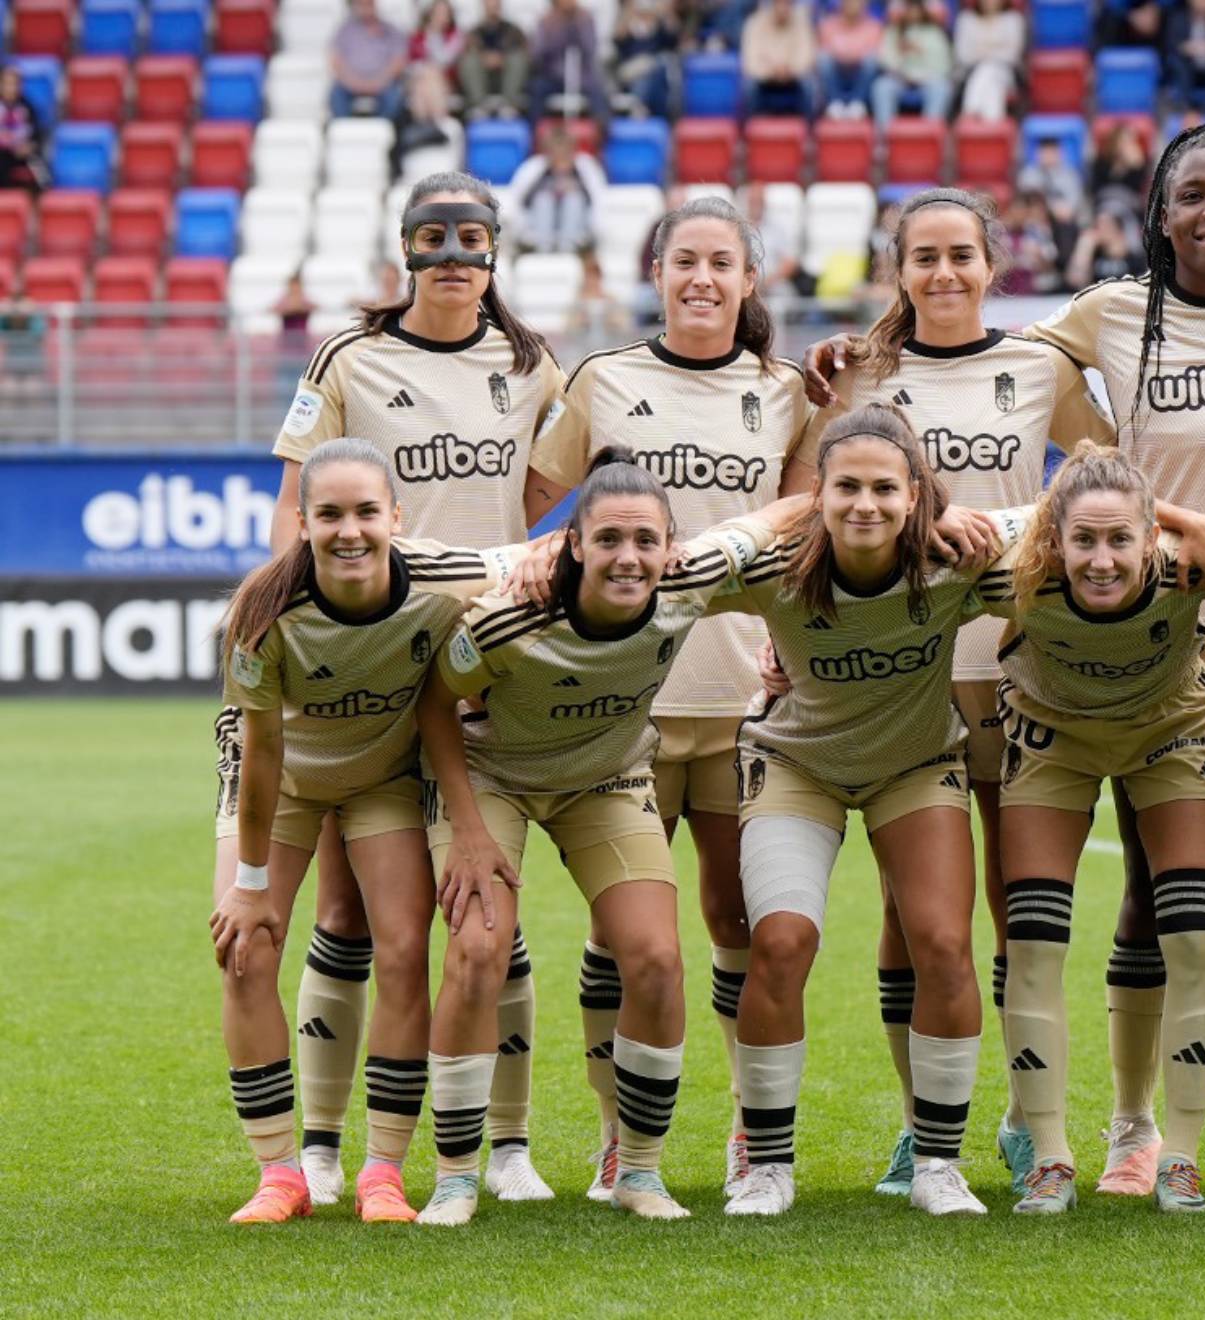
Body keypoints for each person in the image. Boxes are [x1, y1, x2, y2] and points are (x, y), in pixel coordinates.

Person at [807, 124, 1205, 1198]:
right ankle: (1074, 1131)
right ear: (1158, 214)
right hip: (1090, 648)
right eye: (1193, 194)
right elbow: (996, 379)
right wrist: (848, 351)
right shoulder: (1098, 318)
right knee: (983, 905)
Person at [789, 188, 1123, 1200]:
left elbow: (1107, 478)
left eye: (960, 256)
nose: (942, 274)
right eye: (922, 258)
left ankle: (1032, 1122)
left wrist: (996, 523)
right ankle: (917, 1125)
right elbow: (813, 505)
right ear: (899, 272)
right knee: (912, 913)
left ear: (992, 266)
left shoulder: (1037, 366)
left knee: (1019, 907)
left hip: (1018, 669)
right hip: (903, 678)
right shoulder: (860, 376)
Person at [268, 171, 573, 1210]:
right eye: (433, 239)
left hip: (480, 668)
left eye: (471, 239)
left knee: (492, 910)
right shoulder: (349, 357)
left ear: (497, 252)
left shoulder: (531, 364)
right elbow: (293, 514)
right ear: (405, 251)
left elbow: (542, 493)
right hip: (368, 667)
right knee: (353, 916)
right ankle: (319, 1147)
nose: (453, 257)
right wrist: (296, 635)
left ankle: (509, 1144)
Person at [415, 451, 793, 1225]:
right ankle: (456, 1175)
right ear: (574, 545)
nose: (630, 558)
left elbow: (782, 513)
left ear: (671, 548)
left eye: (647, 541)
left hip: (608, 782)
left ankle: (639, 1171)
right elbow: (432, 704)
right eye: (610, 539)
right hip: (495, 780)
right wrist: (469, 830)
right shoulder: (509, 615)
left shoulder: (690, 580)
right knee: (479, 949)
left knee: (654, 959)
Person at [532, 195, 816, 1201]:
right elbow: (530, 513)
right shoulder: (603, 381)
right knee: (622, 933)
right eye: (683, 260)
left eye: (721, 263)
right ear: (657, 273)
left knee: (739, 918)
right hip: (624, 709)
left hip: (744, 701)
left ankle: (750, 1128)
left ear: (749, 281)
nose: (701, 278)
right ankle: (620, 1137)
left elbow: (809, 523)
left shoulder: (786, 391)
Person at [713, 404, 1018, 1220]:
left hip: (914, 767)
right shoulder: (776, 566)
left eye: (886, 488)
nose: (866, 505)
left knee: (947, 944)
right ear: (819, 492)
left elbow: (1088, 528)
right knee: (781, 940)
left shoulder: (956, 562)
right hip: (795, 764)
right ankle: (767, 1165)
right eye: (846, 486)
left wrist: (1191, 530)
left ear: (917, 495)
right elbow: (662, 570)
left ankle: (938, 1164)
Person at [209, 438, 522, 1225]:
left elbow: (537, 559)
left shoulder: (443, 580)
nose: (349, 531)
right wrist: (249, 889)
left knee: (405, 949)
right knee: (245, 951)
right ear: (303, 523)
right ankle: (280, 1173)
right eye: (329, 515)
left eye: (366, 513)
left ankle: (384, 1171)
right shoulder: (259, 612)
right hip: (278, 783)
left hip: (383, 779)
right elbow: (261, 755)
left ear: (397, 518)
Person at [973, 443, 1205, 1213]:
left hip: (1170, 732)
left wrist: (1197, 525)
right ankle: (1050, 1156)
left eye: (1120, 540)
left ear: (1151, 535)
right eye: (1082, 541)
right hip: (1052, 739)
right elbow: (909, 543)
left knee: (1193, 937)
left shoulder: (1196, 565)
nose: (1100, 560)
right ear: (1053, 540)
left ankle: (1180, 1158)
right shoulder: (1011, 568)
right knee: (1033, 941)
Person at [511, 125, 608, 256]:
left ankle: (567, 248)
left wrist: (575, 188)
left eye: (564, 152)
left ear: (572, 151)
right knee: (543, 199)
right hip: (537, 227)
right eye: (555, 152)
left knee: (573, 199)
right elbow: (519, 202)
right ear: (547, 152)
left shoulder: (586, 168)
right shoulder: (533, 168)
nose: (560, 156)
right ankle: (543, 248)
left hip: (579, 229)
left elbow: (598, 203)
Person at [528, 0, 612, 124]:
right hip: (552, 77)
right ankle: (533, 136)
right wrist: (554, 29)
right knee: (536, 90)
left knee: (600, 91)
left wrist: (579, 24)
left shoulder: (585, 19)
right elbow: (537, 54)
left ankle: (604, 133)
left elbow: (590, 48)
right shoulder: (546, 21)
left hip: (582, 76)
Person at [872, 0, 953, 128]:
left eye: (916, 10)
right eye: (909, 10)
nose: (913, 14)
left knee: (941, 88)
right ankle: (884, 138)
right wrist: (901, 55)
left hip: (927, 80)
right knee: (881, 87)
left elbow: (944, 65)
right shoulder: (893, 31)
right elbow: (884, 61)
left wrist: (921, 57)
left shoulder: (934, 33)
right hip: (899, 80)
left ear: (922, 11)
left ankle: (929, 136)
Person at [331, 0, 412, 119]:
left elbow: (399, 61)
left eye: (369, 4)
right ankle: (345, 131)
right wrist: (354, 82)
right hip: (350, 82)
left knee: (394, 97)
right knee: (336, 95)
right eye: (362, 4)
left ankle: (384, 131)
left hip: (383, 82)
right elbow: (335, 61)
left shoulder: (390, 30)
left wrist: (379, 81)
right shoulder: (345, 30)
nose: (366, 8)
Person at [613, 0, 690, 120]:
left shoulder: (659, 27)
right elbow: (618, 42)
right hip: (632, 70)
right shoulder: (628, 26)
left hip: (656, 73)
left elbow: (674, 40)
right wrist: (629, 11)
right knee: (646, 72)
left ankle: (640, 106)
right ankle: (641, 106)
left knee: (658, 70)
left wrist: (666, 12)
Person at [740, 0, 816, 118]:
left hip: (793, 77)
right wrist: (772, 70)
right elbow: (750, 61)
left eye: (787, 3)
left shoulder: (802, 22)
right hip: (765, 78)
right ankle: (748, 131)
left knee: (809, 84)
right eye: (779, 3)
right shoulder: (755, 22)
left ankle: (810, 132)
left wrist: (790, 69)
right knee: (748, 85)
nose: (783, 7)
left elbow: (806, 57)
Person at [952, 0, 1025, 121]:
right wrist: (995, 49)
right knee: (992, 88)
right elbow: (963, 55)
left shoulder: (1013, 19)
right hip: (970, 73)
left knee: (988, 69)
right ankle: (993, 126)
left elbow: (1012, 55)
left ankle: (970, 112)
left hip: (1005, 72)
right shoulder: (966, 19)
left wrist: (981, 51)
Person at [457, 0, 531, 117]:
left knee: (517, 59)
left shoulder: (513, 30)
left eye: (495, 4)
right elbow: (468, 51)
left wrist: (502, 59)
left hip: (506, 79)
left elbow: (523, 51)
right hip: (482, 79)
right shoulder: (474, 32)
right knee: (469, 61)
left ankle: (509, 106)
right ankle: (478, 106)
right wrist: (485, 58)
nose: (492, 7)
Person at [394, 64, 466, 182]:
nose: (426, 92)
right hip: (411, 181)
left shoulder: (451, 127)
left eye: (430, 89)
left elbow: (458, 165)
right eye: (420, 90)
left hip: (443, 183)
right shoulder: (404, 125)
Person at [816, 0, 884, 118]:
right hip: (836, 71)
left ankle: (857, 103)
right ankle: (835, 103)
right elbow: (825, 47)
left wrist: (850, 54)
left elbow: (875, 50)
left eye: (857, 2)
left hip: (861, 73)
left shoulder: (873, 26)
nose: (853, 5)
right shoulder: (828, 24)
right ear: (842, 4)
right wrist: (846, 54)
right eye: (850, 2)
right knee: (823, 58)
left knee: (871, 60)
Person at [1065, 206, 1147, 286]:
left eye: (1105, 225)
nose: (1099, 229)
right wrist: (1084, 247)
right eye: (1097, 225)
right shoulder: (1095, 256)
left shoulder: (1135, 259)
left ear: (1118, 229)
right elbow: (1075, 281)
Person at [0, 65, 47, 192]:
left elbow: (37, 135)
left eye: (14, 84)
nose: (11, 88)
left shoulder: (28, 107)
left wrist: (29, 147)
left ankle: (40, 203)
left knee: (40, 168)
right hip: (2, 154)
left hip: (22, 154)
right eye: (7, 83)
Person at [1016, 138, 1083, 227]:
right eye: (1045, 152)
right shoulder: (1028, 174)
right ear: (1038, 153)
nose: (1048, 156)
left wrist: (1055, 209)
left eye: (1052, 152)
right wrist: (1049, 208)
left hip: (1062, 222)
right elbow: (1025, 203)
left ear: (1059, 153)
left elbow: (1072, 206)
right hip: (1033, 222)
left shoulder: (1070, 175)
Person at [1089, 121, 1150, 215]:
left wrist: (1136, 167)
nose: (1128, 146)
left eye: (1131, 142)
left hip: (1129, 207)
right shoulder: (1101, 162)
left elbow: (1138, 192)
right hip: (1105, 204)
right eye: (1124, 141)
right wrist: (1118, 168)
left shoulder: (1140, 165)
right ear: (1115, 143)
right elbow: (1096, 189)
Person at [409, 0, 466, 77]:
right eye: (437, 12)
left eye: (445, 13)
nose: (440, 16)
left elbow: (444, 60)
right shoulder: (418, 35)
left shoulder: (456, 36)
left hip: (445, 77)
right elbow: (411, 61)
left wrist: (435, 33)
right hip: (420, 76)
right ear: (430, 13)